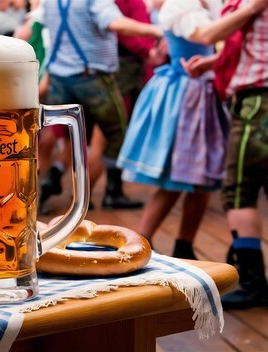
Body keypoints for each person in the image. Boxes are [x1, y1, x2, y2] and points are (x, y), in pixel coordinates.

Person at [118, 0, 230, 261]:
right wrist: (246, 17)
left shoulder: (209, 5)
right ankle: (141, 241)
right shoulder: (179, 5)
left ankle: (184, 245)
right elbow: (205, 35)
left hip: (203, 91)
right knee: (173, 177)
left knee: (202, 180)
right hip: (184, 93)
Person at [34, 0, 161, 210]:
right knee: (116, 133)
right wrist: (157, 30)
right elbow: (115, 22)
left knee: (70, 138)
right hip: (92, 78)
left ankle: (52, 181)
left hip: (59, 78)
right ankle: (108, 191)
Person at [181, 0, 268, 309]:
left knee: (239, 192)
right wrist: (213, 62)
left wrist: (250, 8)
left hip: (258, 103)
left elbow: (206, 34)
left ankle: (252, 282)